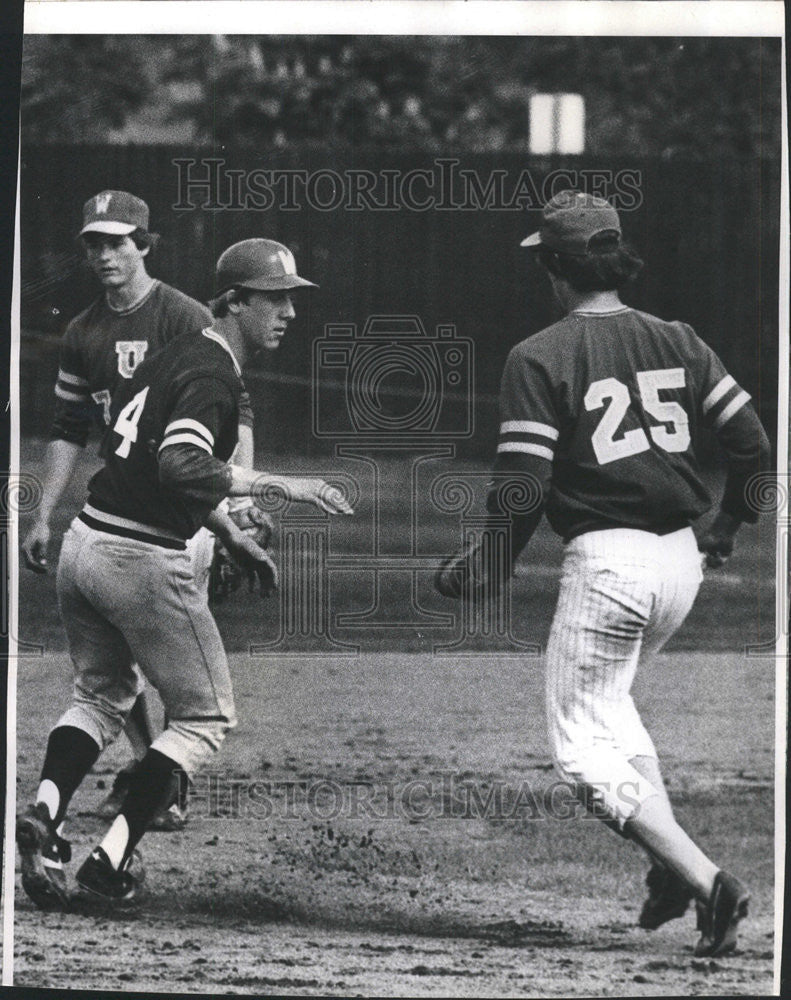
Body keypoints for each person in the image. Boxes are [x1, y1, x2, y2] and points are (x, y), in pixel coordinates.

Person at [436, 191, 771, 957]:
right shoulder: (678, 338)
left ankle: (707, 878)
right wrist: (725, 525)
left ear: (553, 266)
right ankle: (668, 862)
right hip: (678, 565)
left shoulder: (540, 354)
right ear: (615, 261)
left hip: (610, 565)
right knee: (611, 711)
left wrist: (488, 565)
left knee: (580, 749)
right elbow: (752, 444)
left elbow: (521, 484)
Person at [16, 237, 353, 908]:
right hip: (139, 560)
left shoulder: (178, 354)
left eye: (291, 298)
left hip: (87, 544)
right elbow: (179, 467)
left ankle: (45, 820)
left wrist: (231, 533)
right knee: (203, 717)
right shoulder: (209, 371)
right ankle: (108, 864)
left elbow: (152, 467)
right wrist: (285, 485)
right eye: (273, 298)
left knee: (98, 697)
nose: (287, 311)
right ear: (233, 302)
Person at [21, 190, 257, 839]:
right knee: (131, 666)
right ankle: (151, 779)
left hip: (183, 512)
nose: (103, 255)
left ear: (145, 245)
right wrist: (42, 511)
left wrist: (235, 509)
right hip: (129, 513)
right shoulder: (84, 331)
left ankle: (154, 783)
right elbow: (69, 426)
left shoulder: (182, 317)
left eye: (117, 241)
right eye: (93, 243)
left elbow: (235, 416)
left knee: (139, 667)